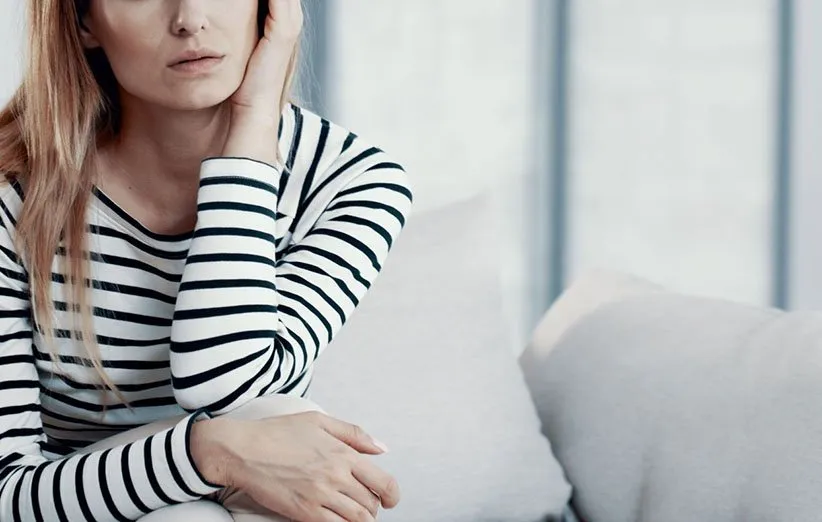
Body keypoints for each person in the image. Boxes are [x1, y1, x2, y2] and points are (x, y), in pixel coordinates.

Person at [0, 0, 413, 520]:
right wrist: (207, 454)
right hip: (70, 506)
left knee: (274, 417)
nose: (190, 19)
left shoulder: (353, 184)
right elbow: (6, 492)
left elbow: (229, 385)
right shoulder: (14, 195)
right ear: (84, 21)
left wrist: (253, 125)